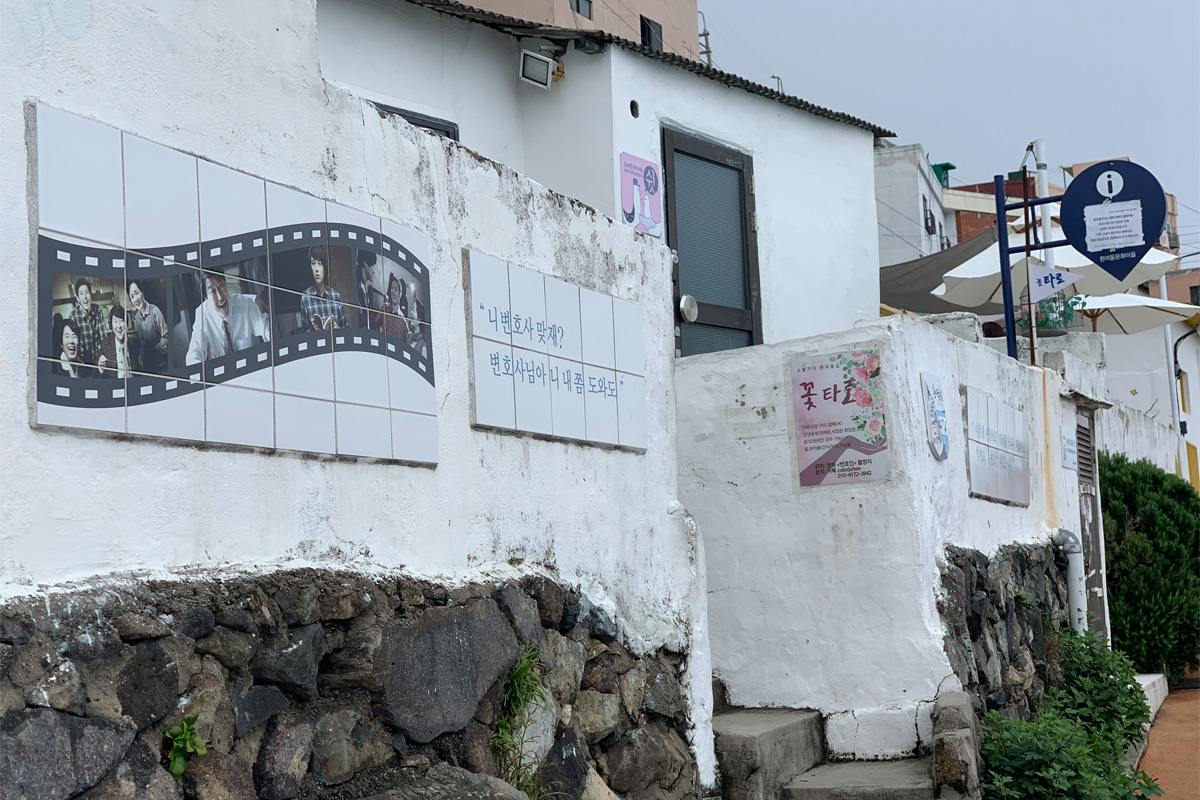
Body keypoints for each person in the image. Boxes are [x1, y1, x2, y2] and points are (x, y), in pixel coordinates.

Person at [186, 270, 271, 364]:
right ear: (205, 298)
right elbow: (192, 358)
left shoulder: (246, 304)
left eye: (221, 286)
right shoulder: (202, 314)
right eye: (213, 291)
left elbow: (268, 332)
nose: (220, 297)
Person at [300, 247, 348, 330]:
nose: (316, 269)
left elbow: (346, 329)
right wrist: (312, 329)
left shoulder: (335, 296)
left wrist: (337, 329)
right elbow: (304, 333)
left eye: (319, 263)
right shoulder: (305, 297)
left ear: (324, 267)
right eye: (313, 263)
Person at [127, 279, 169, 372]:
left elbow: (166, 337)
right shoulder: (137, 317)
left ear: (142, 292)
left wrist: (155, 349)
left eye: (136, 293)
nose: (135, 299)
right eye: (132, 297)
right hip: (150, 364)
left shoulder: (155, 311)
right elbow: (142, 343)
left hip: (163, 363)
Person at [68, 278, 108, 363]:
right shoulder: (73, 315)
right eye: (81, 294)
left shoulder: (97, 309)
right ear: (78, 298)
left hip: (99, 357)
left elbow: (103, 338)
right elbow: (74, 344)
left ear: (91, 295)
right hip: (82, 360)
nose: (85, 297)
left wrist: (102, 357)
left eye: (87, 293)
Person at [97, 305, 141, 377]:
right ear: (111, 325)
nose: (119, 326)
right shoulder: (105, 345)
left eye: (121, 321)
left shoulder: (135, 344)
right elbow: (96, 373)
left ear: (126, 324)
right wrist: (100, 368)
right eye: (115, 321)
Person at [355, 251, 385, 329]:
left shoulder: (366, 288)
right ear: (365, 263)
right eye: (373, 265)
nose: (374, 271)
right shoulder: (356, 285)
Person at [381, 273, 409, 340]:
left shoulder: (403, 322)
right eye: (392, 288)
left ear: (400, 293)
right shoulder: (384, 309)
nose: (393, 291)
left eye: (396, 289)